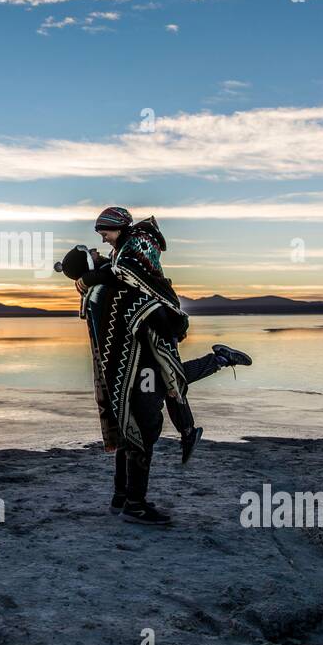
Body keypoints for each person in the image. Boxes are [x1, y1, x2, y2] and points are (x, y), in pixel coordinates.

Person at [55, 208, 252, 525]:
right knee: (144, 428)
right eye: (93, 250)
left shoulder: (100, 286)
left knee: (133, 423)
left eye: (102, 235)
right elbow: (145, 310)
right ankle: (135, 504)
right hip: (136, 365)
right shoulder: (112, 286)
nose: (100, 243)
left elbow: (135, 292)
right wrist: (173, 324)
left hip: (128, 367)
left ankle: (122, 497)